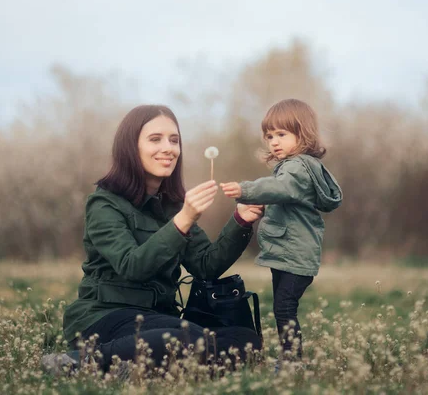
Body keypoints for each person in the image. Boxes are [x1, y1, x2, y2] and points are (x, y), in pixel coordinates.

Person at [44, 105, 264, 374]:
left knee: (246, 339)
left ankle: (155, 364)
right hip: (105, 316)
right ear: (130, 146)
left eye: (174, 140)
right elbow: (132, 266)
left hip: (161, 319)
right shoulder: (104, 204)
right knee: (183, 339)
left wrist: (241, 220)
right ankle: (84, 360)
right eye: (155, 139)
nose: (168, 148)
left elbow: (207, 265)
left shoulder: (173, 207)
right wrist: (184, 219)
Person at [221, 99, 342, 361]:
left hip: (295, 254)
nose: (274, 142)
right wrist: (265, 208)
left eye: (282, 135)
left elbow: (281, 189)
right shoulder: (294, 167)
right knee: (282, 308)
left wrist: (247, 191)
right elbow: (288, 201)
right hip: (288, 252)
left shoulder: (297, 167)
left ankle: (292, 361)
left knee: (285, 308)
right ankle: (290, 358)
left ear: (304, 134)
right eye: (269, 136)